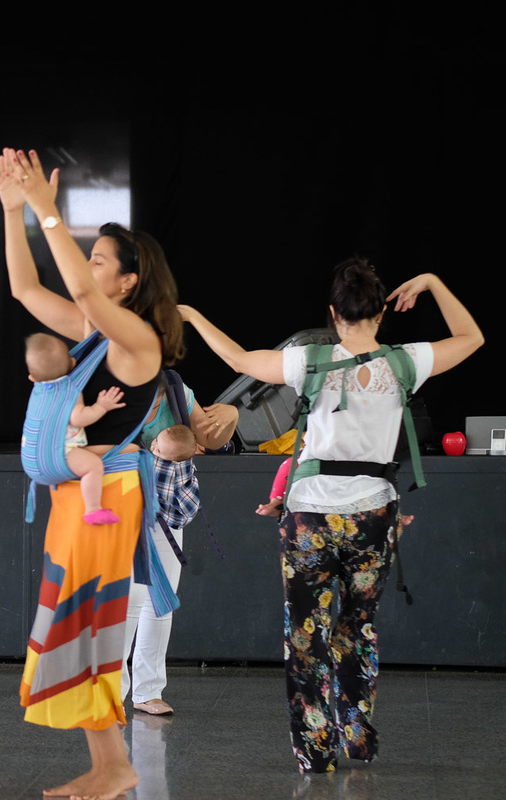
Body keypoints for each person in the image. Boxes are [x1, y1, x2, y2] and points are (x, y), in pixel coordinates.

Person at [178, 261, 483, 773]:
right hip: (372, 519)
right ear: (382, 311)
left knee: (305, 634)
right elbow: (471, 336)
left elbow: (236, 356)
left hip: (311, 519)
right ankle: (358, 736)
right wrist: (431, 283)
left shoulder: (309, 359)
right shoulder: (406, 362)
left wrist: (190, 314)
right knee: (357, 626)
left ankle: (315, 750)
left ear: (332, 314)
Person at [0, 147, 184, 800]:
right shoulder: (94, 332)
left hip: (113, 495)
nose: (91, 267)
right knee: (75, 632)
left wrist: (50, 213)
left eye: (101, 258)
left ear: (129, 282)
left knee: (95, 632)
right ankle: (110, 766)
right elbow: (24, 290)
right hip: (72, 501)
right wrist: (15, 212)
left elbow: (76, 289)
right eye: (92, 257)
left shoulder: (137, 341)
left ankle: (117, 769)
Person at [121, 381, 238, 718]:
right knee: (127, 602)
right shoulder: (114, 389)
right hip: (124, 506)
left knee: (162, 601)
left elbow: (212, 438)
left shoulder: (177, 390)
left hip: (167, 507)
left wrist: (232, 412)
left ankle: (148, 691)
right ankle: (111, 693)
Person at [24, 332, 128, 524]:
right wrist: (101, 406)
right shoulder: (68, 390)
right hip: (59, 457)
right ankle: (93, 509)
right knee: (93, 466)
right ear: (73, 363)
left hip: (31, 461)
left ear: (32, 376)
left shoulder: (38, 390)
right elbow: (79, 418)